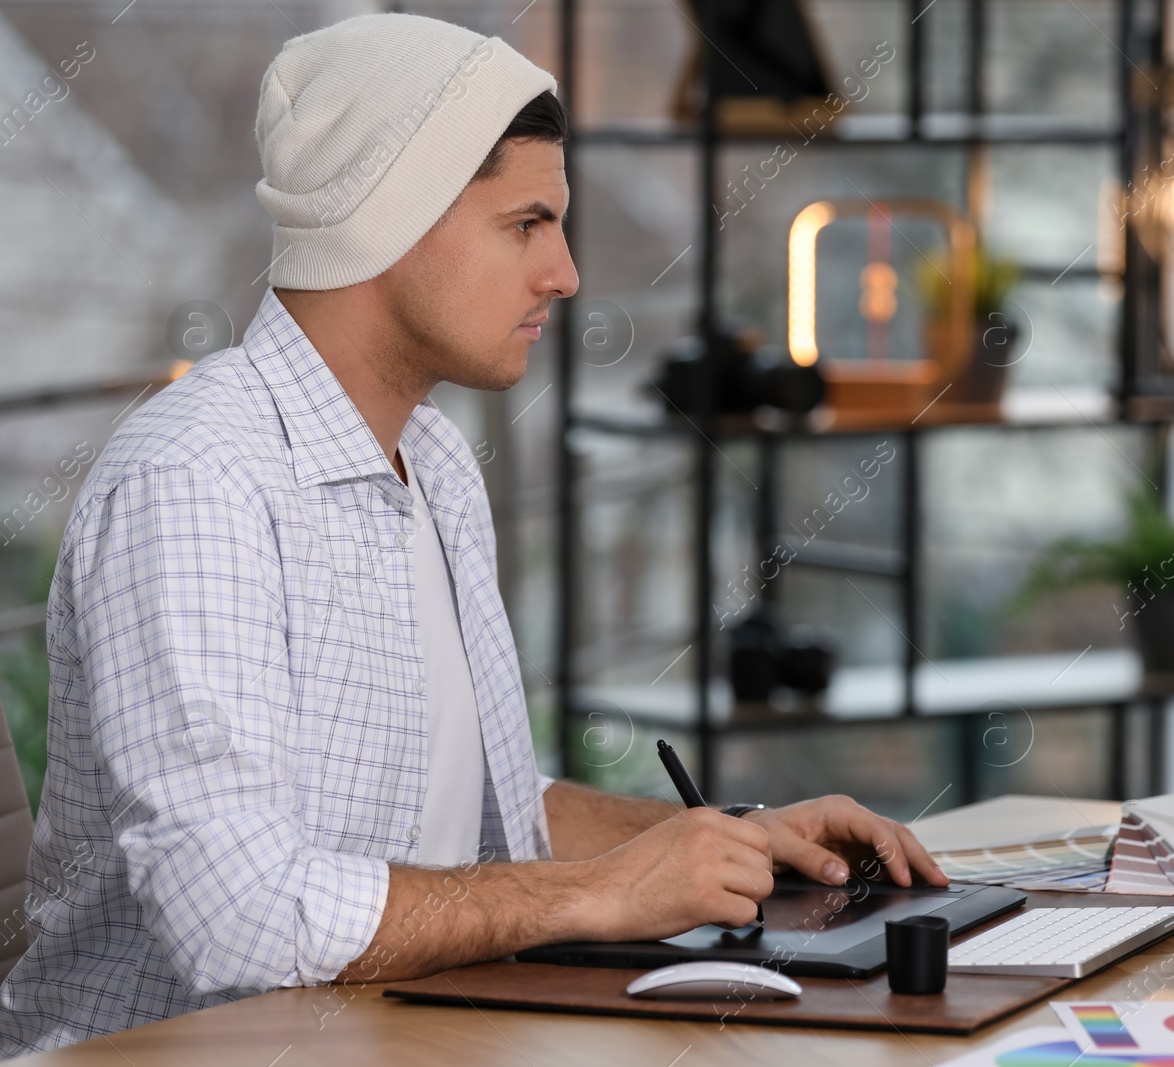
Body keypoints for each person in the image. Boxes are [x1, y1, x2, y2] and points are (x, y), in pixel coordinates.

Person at [0, 13, 945, 1055]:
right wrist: (596, 893)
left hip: (399, 1031)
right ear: (391, 218)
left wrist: (734, 836)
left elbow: (493, 812)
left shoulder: (438, 464)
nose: (566, 273)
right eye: (527, 224)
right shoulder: (197, 480)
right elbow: (242, 918)